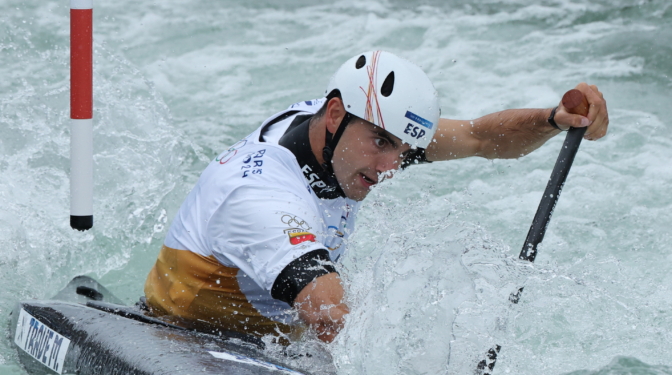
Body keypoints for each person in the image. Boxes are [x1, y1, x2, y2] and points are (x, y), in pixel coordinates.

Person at [143, 50, 608, 344]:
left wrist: (554, 119)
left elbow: (481, 139)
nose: (392, 168)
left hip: (273, 336)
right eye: (383, 144)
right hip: (182, 338)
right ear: (333, 114)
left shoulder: (349, 138)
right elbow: (334, 319)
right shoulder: (263, 197)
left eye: (403, 150)